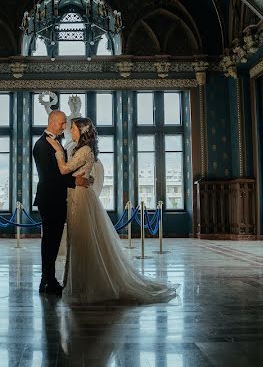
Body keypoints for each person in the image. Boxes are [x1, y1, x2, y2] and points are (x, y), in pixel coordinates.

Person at [46, 118, 177, 304]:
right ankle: (79, 282)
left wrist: (58, 152)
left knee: (81, 240)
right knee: (79, 240)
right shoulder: (83, 149)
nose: (70, 131)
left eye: (73, 129)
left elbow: (65, 169)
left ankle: (84, 284)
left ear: (82, 132)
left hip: (80, 198)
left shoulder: (83, 150)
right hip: (79, 195)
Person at [32, 110, 93, 295]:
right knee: (50, 242)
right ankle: (48, 281)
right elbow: (50, 177)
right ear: (52, 122)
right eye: (62, 124)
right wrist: (75, 182)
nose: (64, 127)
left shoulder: (54, 142)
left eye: (66, 124)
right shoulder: (42, 145)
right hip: (49, 199)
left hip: (57, 199)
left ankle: (47, 280)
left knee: (53, 241)